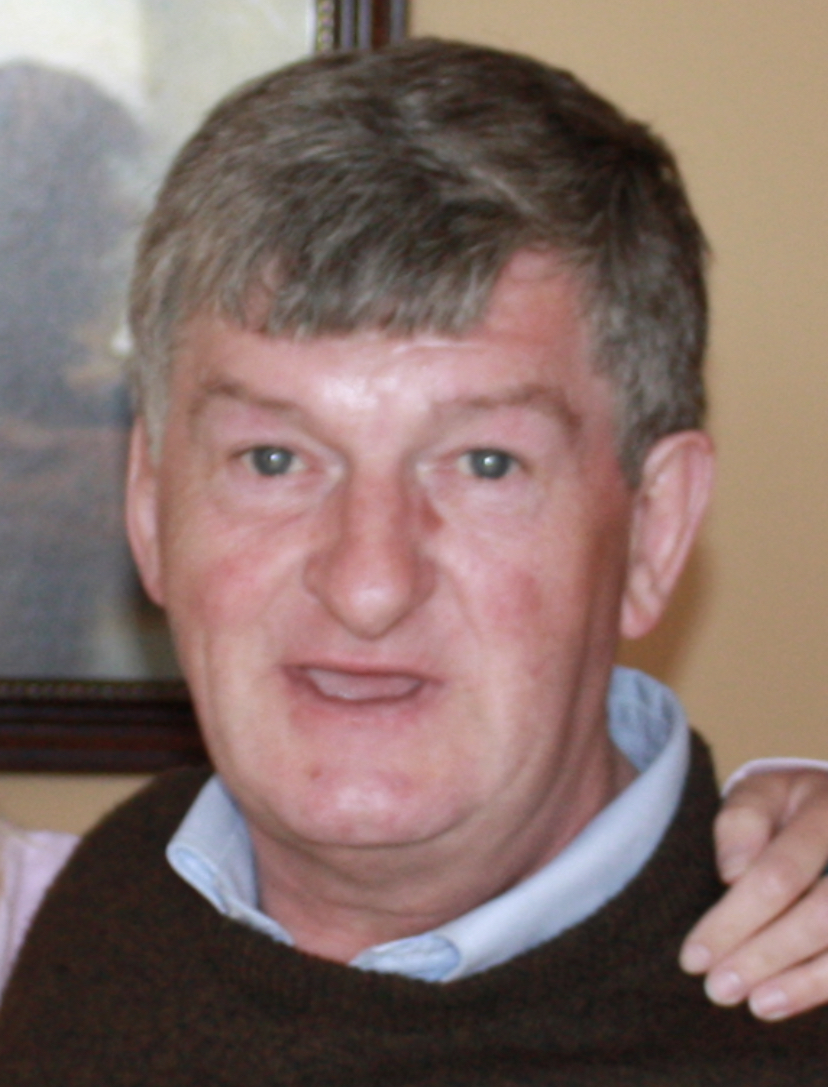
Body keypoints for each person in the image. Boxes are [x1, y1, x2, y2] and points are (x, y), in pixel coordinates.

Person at [2, 38, 828, 1082]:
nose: (368, 585)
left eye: (486, 463)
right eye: (273, 459)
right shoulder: (82, 924)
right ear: (149, 508)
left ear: (654, 529)